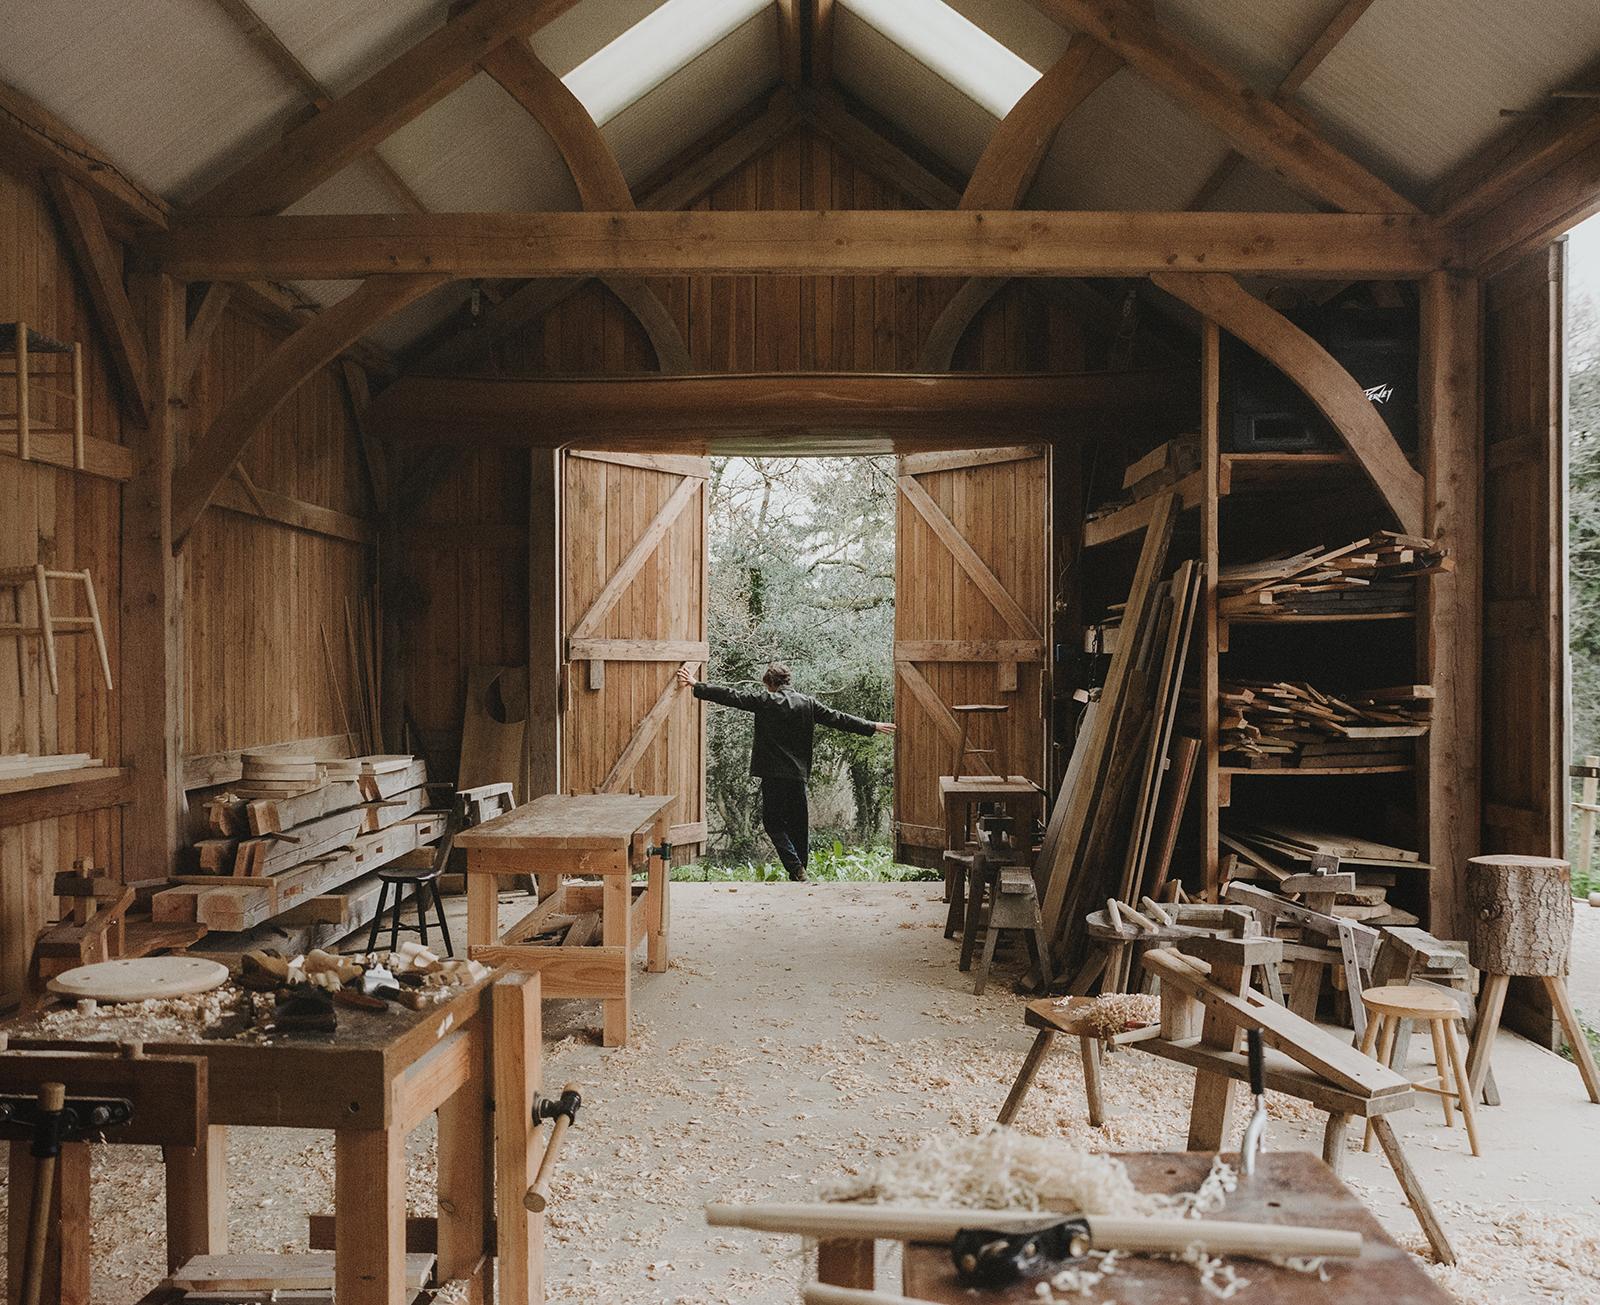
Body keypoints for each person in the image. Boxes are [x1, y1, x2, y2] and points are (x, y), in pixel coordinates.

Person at [677, 662, 894, 882]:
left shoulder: (764, 701)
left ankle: (796, 868)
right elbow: (838, 718)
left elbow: (731, 696)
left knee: (773, 823)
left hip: (773, 775)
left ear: (769, 683)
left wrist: (697, 685)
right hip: (798, 775)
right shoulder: (808, 704)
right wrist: (871, 725)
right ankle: (800, 873)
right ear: (788, 681)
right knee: (799, 826)